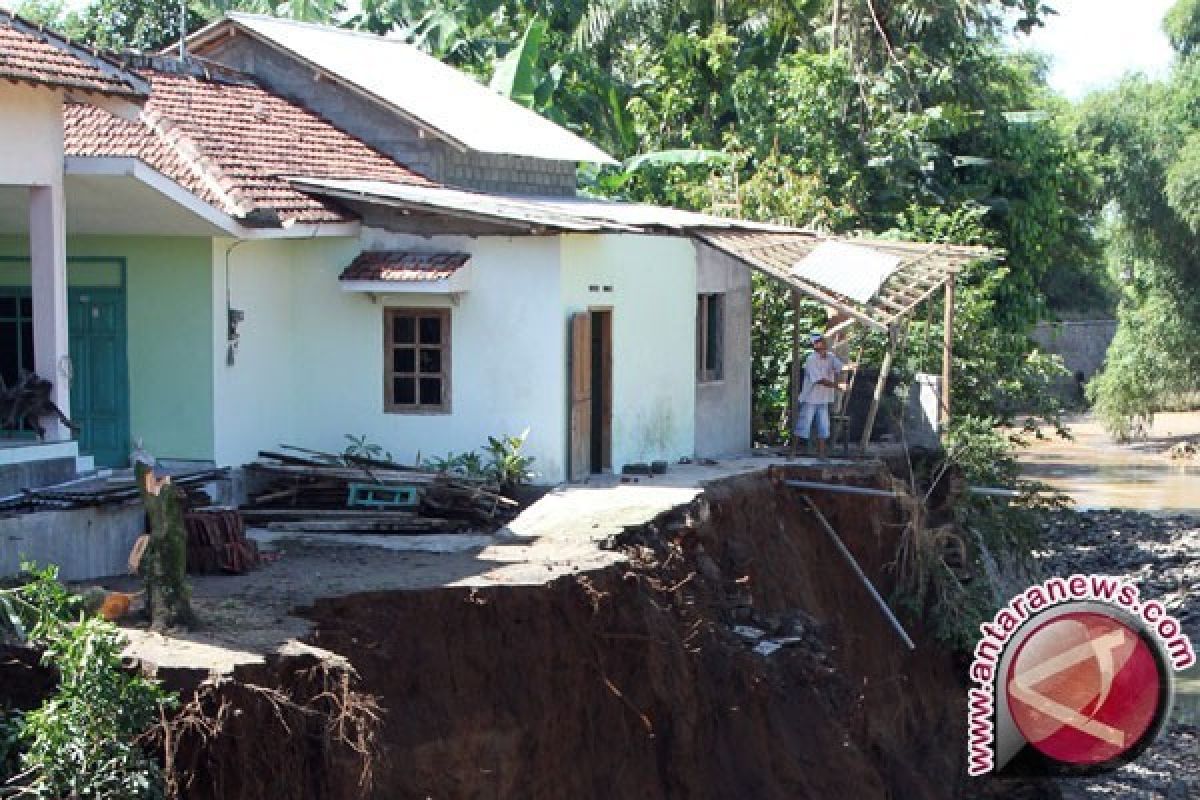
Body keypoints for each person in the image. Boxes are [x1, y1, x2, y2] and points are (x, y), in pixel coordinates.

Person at [790, 333, 845, 459]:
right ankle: (792, 452)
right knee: (803, 425)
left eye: (823, 341)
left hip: (823, 399)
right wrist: (838, 386)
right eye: (820, 342)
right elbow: (820, 380)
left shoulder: (830, 357)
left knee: (824, 427)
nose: (823, 343)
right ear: (815, 345)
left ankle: (821, 455)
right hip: (810, 399)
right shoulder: (811, 360)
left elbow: (840, 367)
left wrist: (851, 366)